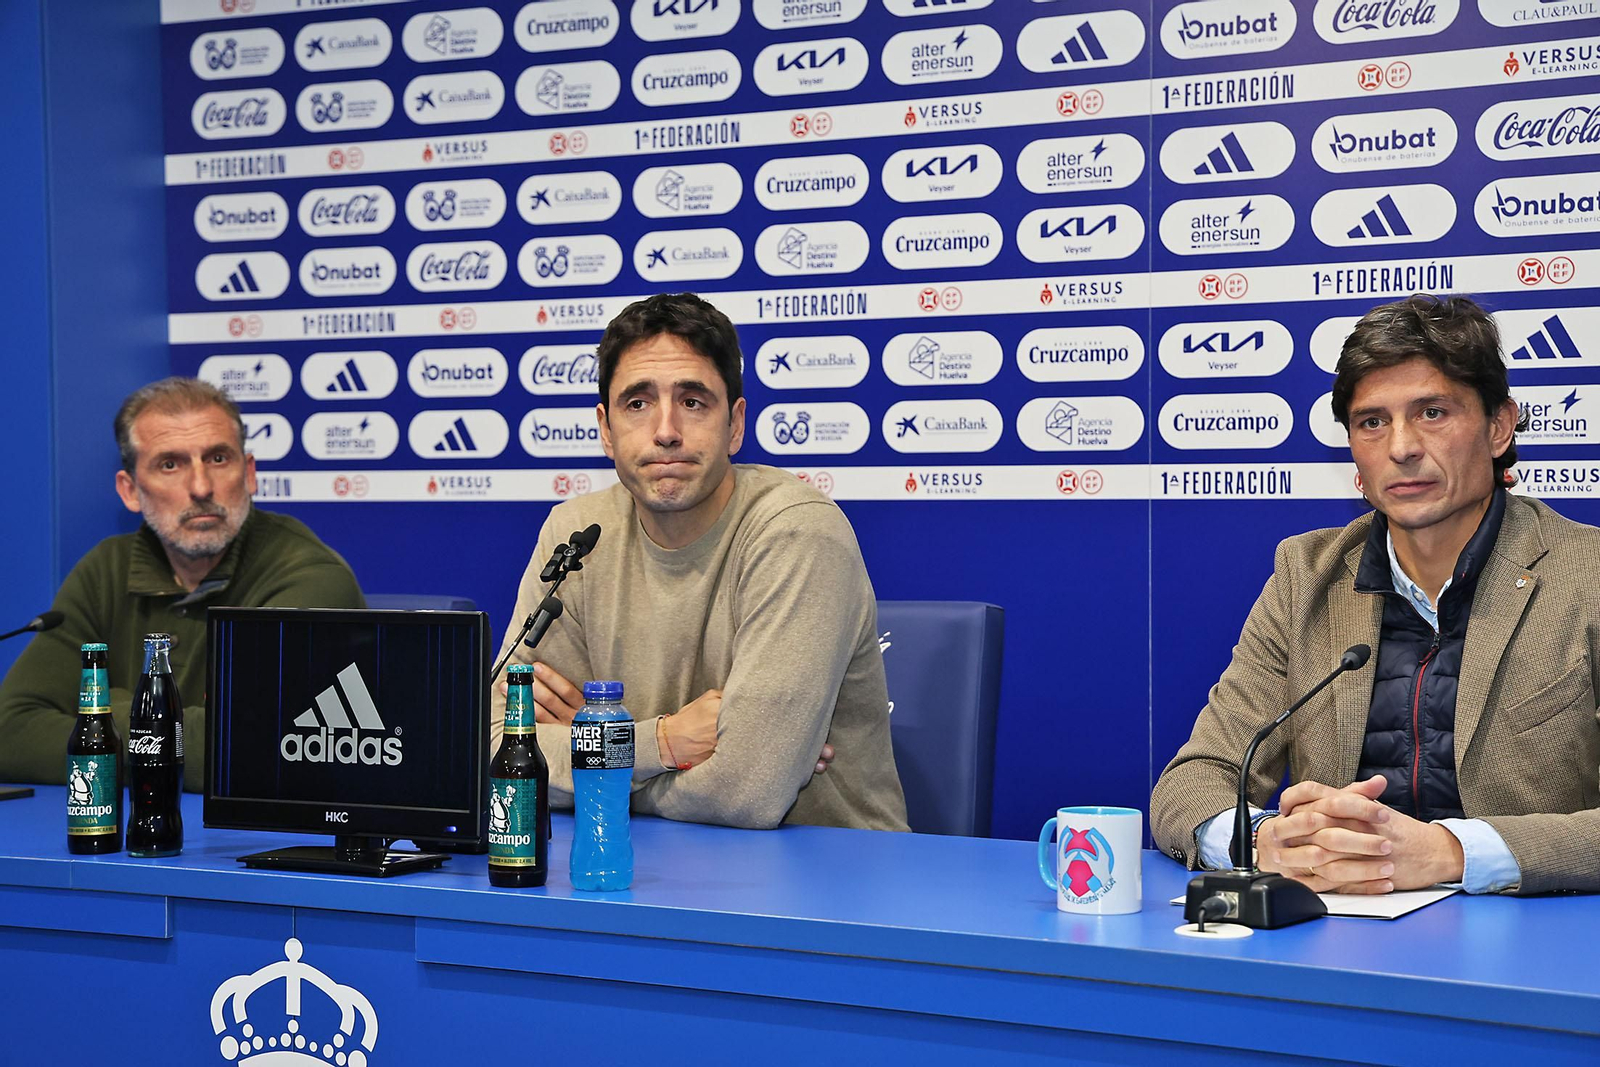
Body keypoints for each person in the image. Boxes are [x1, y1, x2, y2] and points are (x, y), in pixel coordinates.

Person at [1152, 294, 1600, 896]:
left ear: (1498, 427)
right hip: (1341, 943)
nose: (1402, 447)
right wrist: (1264, 841)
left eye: (1433, 412)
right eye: (1373, 422)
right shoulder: (1306, 577)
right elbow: (1193, 781)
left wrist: (1449, 852)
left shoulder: (1586, 577)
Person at [493, 292, 908, 831]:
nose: (666, 430)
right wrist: (659, 742)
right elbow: (497, 746)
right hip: (639, 870)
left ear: (735, 424)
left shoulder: (797, 530)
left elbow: (746, 791)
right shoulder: (575, 534)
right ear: (605, 428)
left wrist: (594, 755)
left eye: (693, 401)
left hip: (825, 882)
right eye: (637, 403)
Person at [0, 377, 364, 792]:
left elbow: (251, 751)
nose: (201, 487)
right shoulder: (106, 569)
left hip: (264, 846)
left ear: (248, 473)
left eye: (218, 459)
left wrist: (108, 712)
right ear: (130, 490)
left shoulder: (307, 575)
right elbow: (11, 733)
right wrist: (175, 737)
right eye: (170, 464)